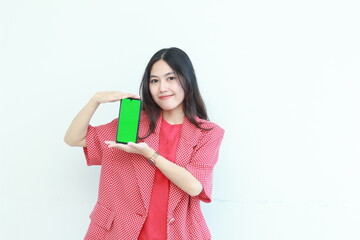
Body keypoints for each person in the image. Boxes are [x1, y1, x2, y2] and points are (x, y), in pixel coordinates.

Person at [64, 47, 225, 240]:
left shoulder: (207, 133)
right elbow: (74, 139)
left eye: (170, 78)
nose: (162, 88)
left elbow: (195, 187)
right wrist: (95, 100)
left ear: (187, 79)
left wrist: (150, 155)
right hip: (121, 232)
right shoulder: (133, 123)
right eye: (154, 81)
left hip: (177, 233)